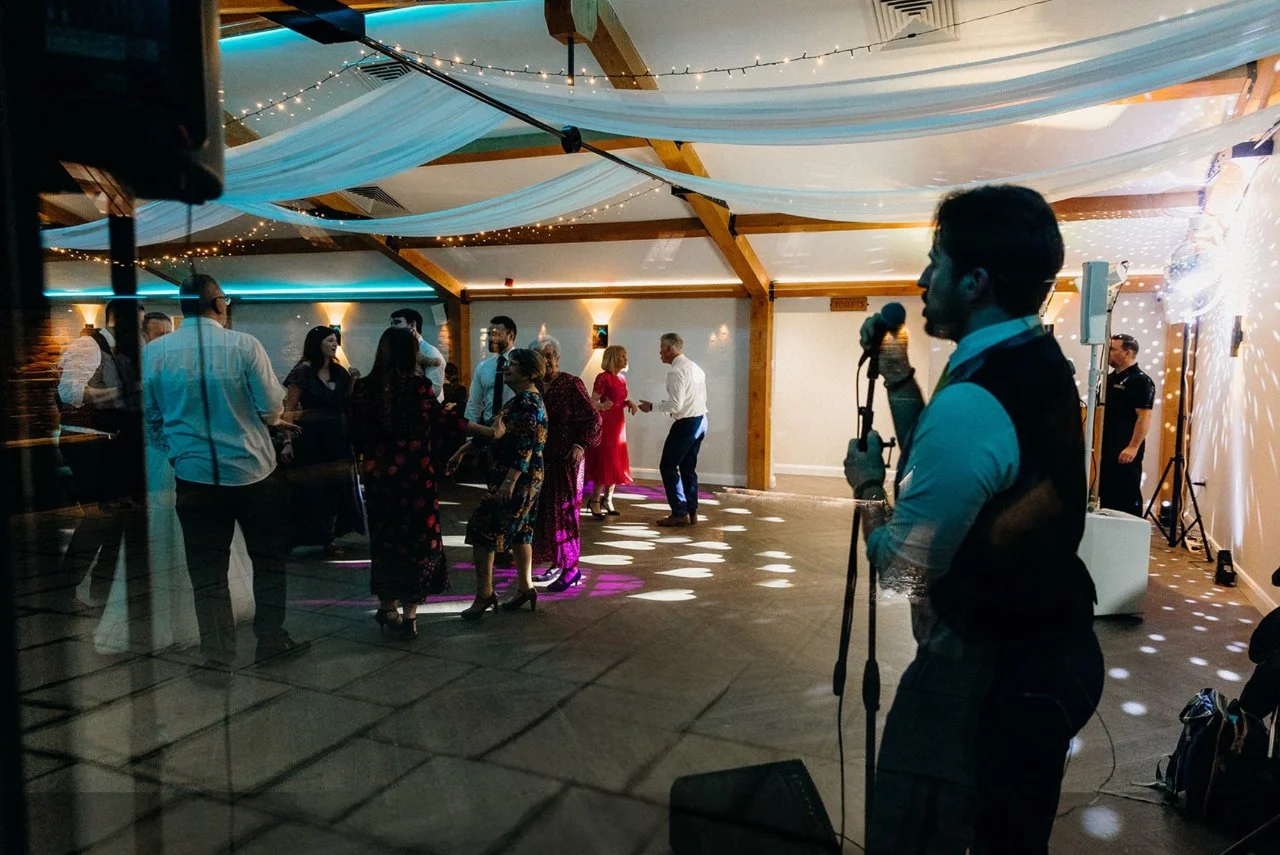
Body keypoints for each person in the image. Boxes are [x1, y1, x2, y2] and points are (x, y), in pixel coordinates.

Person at [842, 185, 1103, 854]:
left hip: (986, 674)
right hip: (1048, 652)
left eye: (937, 262)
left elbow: (902, 572)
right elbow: (951, 453)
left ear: (976, 279)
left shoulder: (978, 399)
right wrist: (898, 371)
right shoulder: (1030, 361)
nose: (925, 279)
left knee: (913, 833)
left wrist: (869, 485)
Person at [142, 274, 308, 670]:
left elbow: (150, 417)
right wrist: (267, 419)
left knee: (207, 571)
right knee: (268, 559)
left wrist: (177, 454)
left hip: (195, 476)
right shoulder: (243, 345)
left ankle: (217, 655)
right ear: (218, 304)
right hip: (252, 471)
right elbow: (271, 407)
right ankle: (270, 640)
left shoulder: (156, 352)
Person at [349, 328, 499, 640]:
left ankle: (387, 606)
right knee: (419, 541)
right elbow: (445, 422)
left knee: (386, 540)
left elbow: (353, 430)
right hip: (415, 478)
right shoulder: (417, 387)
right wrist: (487, 432)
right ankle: (410, 616)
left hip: (379, 478)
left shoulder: (364, 387)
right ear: (408, 354)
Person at [55, 297, 145, 612]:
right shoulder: (87, 346)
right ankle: (64, 592)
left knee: (115, 517)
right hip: (86, 441)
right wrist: (122, 392)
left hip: (109, 443)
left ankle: (100, 591)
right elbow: (70, 393)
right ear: (116, 321)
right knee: (97, 520)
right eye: (137, 325)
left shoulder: (119, 353)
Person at [449, 348, 547, 619]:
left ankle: (485, 594)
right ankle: (526, 588)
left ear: (528, 372)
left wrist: (509, 482)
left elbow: (525, 447)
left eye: (513, 365)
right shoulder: (520, 400)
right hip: (526, 478)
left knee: (482, 529)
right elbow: (495, 434)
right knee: (521, 532)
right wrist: (462, 452)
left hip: (518, 479)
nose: (507, 368)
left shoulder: (526, 402)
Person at [282, 326, 365, 556]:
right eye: (329, 340)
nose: (334, 345)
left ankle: (330, 536)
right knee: (312, 489)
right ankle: (312, 535)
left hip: (338, 436)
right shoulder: (303, 371)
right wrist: (287, 440)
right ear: (317, 343)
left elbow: (348, 403)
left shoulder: (340, 372)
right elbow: (290, 407)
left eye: (335, 341)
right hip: (312, 438)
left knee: (337, 488)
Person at [528, 336, 601, 591]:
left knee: (564, 514)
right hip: (540, 457)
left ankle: (572, 569)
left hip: (568, 458)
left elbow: (594, 418)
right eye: (541, 356)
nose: (547, 361)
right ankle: (558, 561)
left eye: (550, 355)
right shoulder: (533, 385)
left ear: (557, 358)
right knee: (545, 513)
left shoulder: (571, 383)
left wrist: (581, 445)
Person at [638, 333, 708, 528]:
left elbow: (676, 406)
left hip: (687, 424)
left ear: (670, 349)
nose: (660, 352)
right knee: (687, 468)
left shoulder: (676, 372)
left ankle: (679, 511)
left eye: (662, 348)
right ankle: (692, 511)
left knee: (667, 466)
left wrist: (652, 407)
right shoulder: (695, 367)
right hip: (701, 420)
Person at [1099, 333, 1155, 516]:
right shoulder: (1109, 379)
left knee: (1125, 494)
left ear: (1127, 353)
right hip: (1106, 447)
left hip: (1124, 448)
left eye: (1113, 349)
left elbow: (1144, 417)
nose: (1107, 353)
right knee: (1107, 494)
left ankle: (1129, 534)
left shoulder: (1140, 381)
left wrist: (1133, 447)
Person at [585, 344, 637, 520]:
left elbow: (618, 400)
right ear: (613, 358)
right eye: (622, 356)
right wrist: (601, 406)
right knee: (606, 460)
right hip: (606, 423)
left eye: (626, 355)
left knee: (616, 460)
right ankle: (594, 500)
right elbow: (592, 401)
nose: (625, 358)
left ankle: (608, 499)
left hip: (618, 424)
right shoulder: (603, 377)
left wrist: (627, 402)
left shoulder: (622, 378)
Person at [464, 315, 518, 427]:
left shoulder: (522, 365)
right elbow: (474, 404)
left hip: (514, 430)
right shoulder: (483, 367)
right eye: (489, 334)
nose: (491, 338)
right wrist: (470, 436)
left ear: (510, 336)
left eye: (496, 334)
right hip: (487, 429)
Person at [390, 308, 445, 402]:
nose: (393, 327)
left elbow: (434, 390)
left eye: (397, 322)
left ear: (412, 325)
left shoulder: (429, 352)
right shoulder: (397, 350)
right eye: (392, 324)